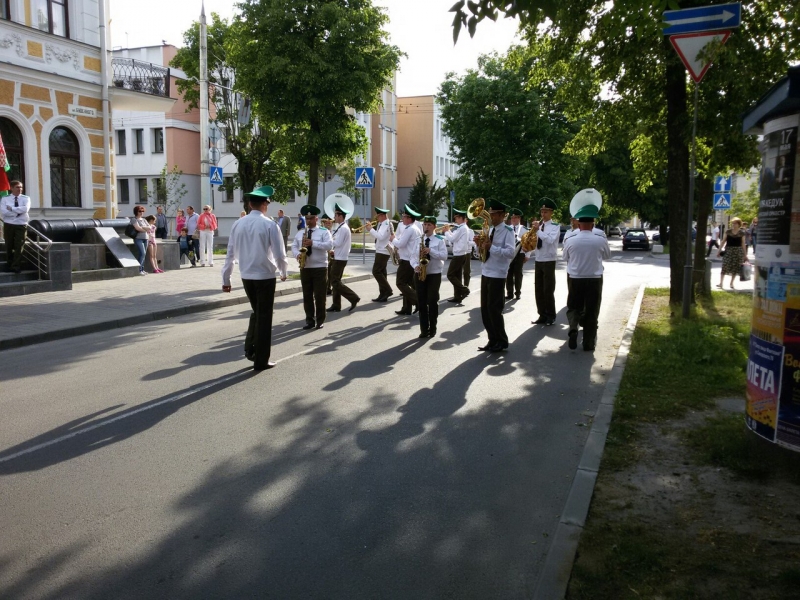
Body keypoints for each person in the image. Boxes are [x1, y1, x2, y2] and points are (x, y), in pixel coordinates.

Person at [222, 186, 288, 371]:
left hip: (246, 276)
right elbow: (280, 254)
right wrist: (283, 271)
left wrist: (226, 279)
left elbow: (229, 254)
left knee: (257, 313)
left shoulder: (237, 224)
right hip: (265, 276)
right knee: (264, 317)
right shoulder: (269, 224)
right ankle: (260, 359)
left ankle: (251, 348)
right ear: (265, 204)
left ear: (250, 204)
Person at [562, 204, 611, 352]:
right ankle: (589, 343)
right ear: (592, 224)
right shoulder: (600, 239)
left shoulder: (570, 239)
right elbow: (607, 256)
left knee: (573, 307)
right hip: (594, 278)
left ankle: (573, 328)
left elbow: (565, 257)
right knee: (591, 311)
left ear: (579, 224)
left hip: (575, 278)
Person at [478, 199, 516, 352]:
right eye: (490, 214)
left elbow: (510, 253)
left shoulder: (508, 231)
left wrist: (491, 247)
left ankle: (501, 340)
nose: (490, 217)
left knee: (494, 309)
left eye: (493, 214)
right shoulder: (488, 230)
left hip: (498, 273)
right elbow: (482, 253)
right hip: (486, 270)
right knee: (485, 310)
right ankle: (492, 339)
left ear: (501, 215)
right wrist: (479, 245)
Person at [292, 204, 333, 330]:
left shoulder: (324, 232)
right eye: (307, 218)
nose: (308, 221)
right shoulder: (300, 233)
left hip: (320, 267)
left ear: (316, 218)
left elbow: (329, 246)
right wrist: (298, 254)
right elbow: (293, 246)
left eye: (311, 218)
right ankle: (309, 320)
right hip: (305, 267)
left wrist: (313, 243)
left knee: (320, 296)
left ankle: (320, 320)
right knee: (307, 296)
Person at [411, 216, 448, 338]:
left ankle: (433, 327)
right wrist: (416, 265)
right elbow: (412, 257)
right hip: (420, 273)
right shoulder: (418, 239)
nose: (426, 227)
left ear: (434, 227)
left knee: (432, 301)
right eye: (425, 225)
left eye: (429, 225)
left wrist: (430, 251)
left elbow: (444, 256)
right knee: (421, 302)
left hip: (434, 274)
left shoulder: (439, 240)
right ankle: (423, 329)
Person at [531, 198, 560, 326]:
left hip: (549, 260)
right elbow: (534, 241)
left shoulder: (555, 226)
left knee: (548, 289)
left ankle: (551, 315)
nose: (543, 214)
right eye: (542, 212)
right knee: (538, 289)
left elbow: (550, 240)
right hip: (538, 259)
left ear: (551, 212)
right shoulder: (539, 226)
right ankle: (542, 314)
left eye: (546, 212)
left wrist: (538, 231)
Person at [327, 204, 360, 312]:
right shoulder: (341, 227)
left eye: (335, 215)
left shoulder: (343, 228)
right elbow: (338, 243)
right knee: (336, 281)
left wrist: (328, 240)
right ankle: (336, 305)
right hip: (339, 256)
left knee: (334, 281)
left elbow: (338, 242)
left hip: (340, 259)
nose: (334, 217)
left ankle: (353, 297)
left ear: (340, 216)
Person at [391, 204, 422, 315]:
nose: (402, 218)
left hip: (407, 260)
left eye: (404, 216)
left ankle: (419, 301)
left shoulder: (409, 229)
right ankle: (407, 308)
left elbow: (401, 244)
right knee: (408, 284)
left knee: (400, 283)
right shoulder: (415, 228)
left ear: (409, 218)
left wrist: (393, 239)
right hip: (410, 259)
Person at [442, 208, 472, 304]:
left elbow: (452, 238)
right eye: (455, 217)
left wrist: (446, 231)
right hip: (461, 254)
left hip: (458, 255)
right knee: (457, 276)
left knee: (450, 275)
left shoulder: (462, 228)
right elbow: (455, 237)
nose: (455, 219)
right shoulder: (463, 228)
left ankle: (464, 289)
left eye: (457, 217)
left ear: (462, 218)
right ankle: (457, 296)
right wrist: (449, 231)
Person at [365, 206, 395, 302]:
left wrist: (371, 229)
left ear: (382, 215)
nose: (377, 217)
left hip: (383, 251)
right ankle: (383, 294)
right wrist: (372, 229)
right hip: (380, 250)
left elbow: (381, 237)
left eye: (378, 216)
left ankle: (388, 290)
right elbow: (378, 236)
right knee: (382, 272)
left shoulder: (386, 224)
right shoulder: (382, 223)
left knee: (376, 271)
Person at [1, 180, 30, 273]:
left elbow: (25, 209)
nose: (20, 189)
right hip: (9, 224)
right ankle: (9, 264)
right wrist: (17, 212)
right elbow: (4, 212)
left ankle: (16, 266)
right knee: (9, 244)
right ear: (12, 188)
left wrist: (12, 209)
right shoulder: (5, 199)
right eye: (17, 187)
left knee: (19, 245)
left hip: (21, 224)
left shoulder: (26, 198)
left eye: (21, 187)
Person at [505, 207, 532, 300]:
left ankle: (518, 292)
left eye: (516, 217)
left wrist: (528, 255)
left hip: (520, 254)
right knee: (508, 274)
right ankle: (509, 293)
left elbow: (529, 243)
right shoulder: (507, 229)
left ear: (519, 218)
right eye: (512, 218)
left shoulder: (524, 229)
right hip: (509, 254)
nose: (513, 219)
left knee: (518, 274)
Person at [717, 217, 748, 290]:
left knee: (735, 267)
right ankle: (721, 283)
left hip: (738, 251)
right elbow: (723, 241)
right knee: (724, 266)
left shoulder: (742, 233)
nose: (733, 225)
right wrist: (719, 251)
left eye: (735, 223)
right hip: (728, 251)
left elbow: (743, 244)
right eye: (733, 223)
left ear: (739, 224)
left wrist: (745, 255)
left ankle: (731, 283)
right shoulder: (728, 231)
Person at [130, 206, 150, 275]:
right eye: (140, 211)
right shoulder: (134, 219)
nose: (141, 213)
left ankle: (142, 269)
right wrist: (145, 229)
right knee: (142, 253)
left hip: (146, 238)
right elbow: (137, 228)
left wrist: (144, 228)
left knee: (143, 254)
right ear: (136, 212)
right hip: (138, 238)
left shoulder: (144, 220)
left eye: (142, 211)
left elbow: (150, 227)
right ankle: (139, 270)